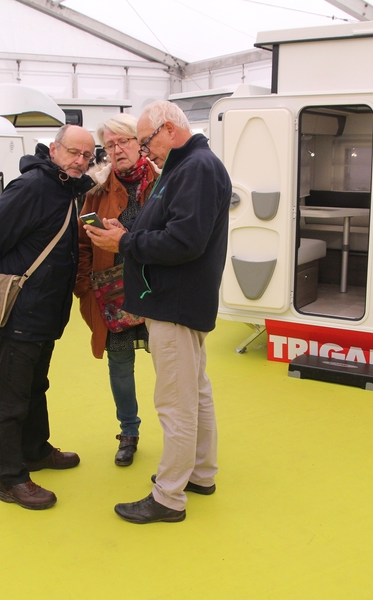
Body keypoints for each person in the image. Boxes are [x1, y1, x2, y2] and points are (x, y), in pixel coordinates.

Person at [85, 101, 231, 524]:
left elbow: (184, 241)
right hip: (179, 300)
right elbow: (173, 230)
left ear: (169, 129)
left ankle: (168, 496)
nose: (145, 151)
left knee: (175, 400)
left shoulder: (195, 168)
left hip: (174, 301)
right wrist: (128, 234)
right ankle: (201, 473)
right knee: (194, 392)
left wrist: (124, 245)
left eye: (146, 141)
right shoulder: (189, 166)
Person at [0, 125, 96, 511]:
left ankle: (36, 450)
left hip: (46, 312)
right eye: (74, 152)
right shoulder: (34, 188)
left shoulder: (65, 190)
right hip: (23, 311)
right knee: (12, 397)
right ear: (53, 149)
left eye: (87, 156)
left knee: (37, 385)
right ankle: (10, 478)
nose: (80, 161)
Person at [75, 114, 158, 467]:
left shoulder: (165, 183)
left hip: (158, 293)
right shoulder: (95, 193)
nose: (117, 149)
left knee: (171, 366)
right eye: (109, 145)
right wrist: (84, 287)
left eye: (122, 141)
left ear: (139, 142)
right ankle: (129, 432)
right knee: (120, 366)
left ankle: (181, 435)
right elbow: (80, 245)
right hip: (113, 296)